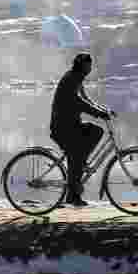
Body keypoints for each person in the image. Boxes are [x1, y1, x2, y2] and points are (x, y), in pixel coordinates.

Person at [49, 52, 115, 207]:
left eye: (90, 65)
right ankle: (73, 195)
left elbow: (87, 100)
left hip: (71, 126)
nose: (90, 68)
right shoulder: (71, 79)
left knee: (96, 132)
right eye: (88, 64)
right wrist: (99, 114)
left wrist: (104, 110)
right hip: (62, 128)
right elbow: (79, 103)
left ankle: (80, 164)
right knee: (76, 156)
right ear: (82, 65)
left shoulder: (77, 78)